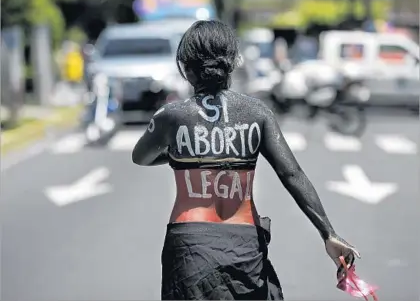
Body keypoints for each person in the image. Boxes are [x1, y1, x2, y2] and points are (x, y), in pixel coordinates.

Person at [132, 20, 360, 300]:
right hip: (243, 246)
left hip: (189, 247)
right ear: (231, 63)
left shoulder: (171, 116)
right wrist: (329, 233)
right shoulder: (256, 112)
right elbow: (292, 174)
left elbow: (141, 157)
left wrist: (180, 155)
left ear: (187, 68)